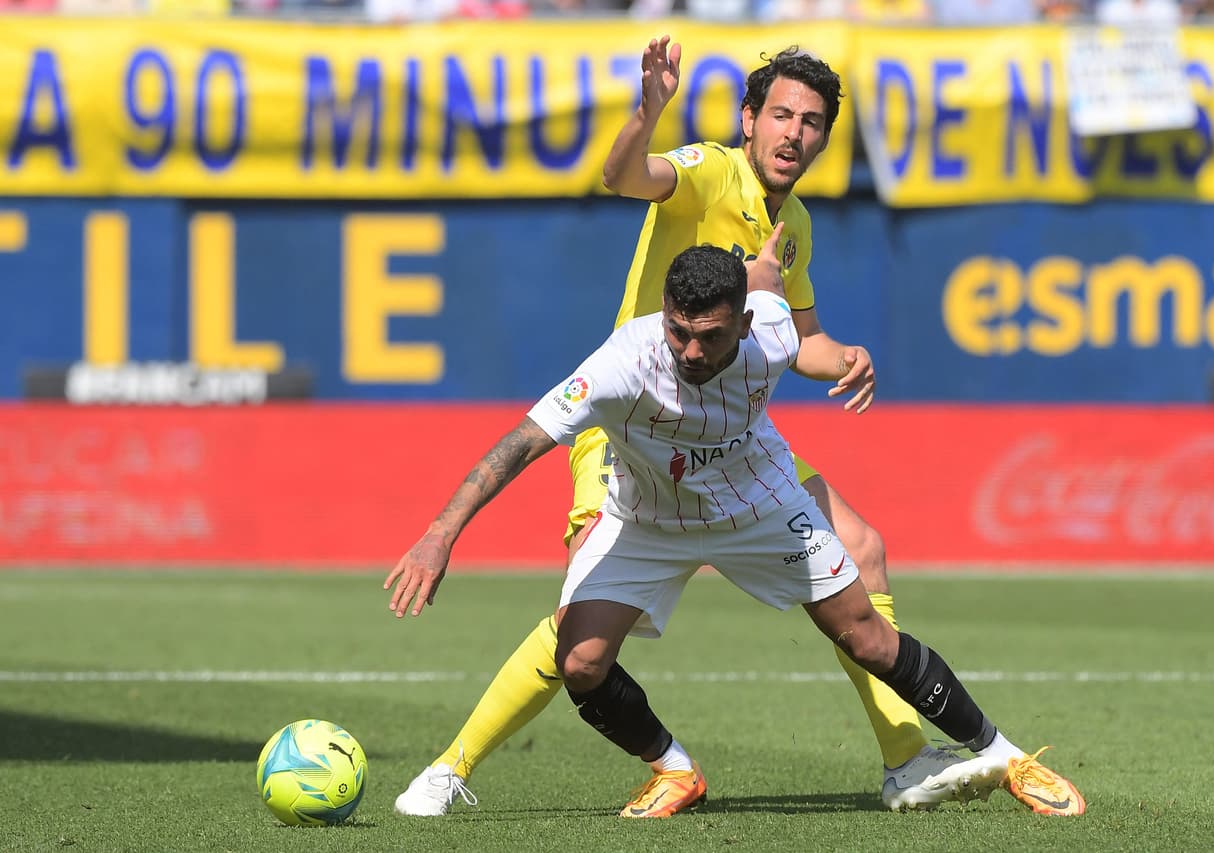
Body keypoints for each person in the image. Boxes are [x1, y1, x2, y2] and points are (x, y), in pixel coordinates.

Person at [391, 36, 1070, 818]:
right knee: (579, 629)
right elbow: (623, 177)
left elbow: (799, 336)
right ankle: (453, 764)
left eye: (811, 121)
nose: (794, 133)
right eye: (779, 114)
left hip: (731, 438)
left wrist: (844, 354)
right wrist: (646, 115)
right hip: (632, 433)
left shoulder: (797, 221)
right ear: (749, 119)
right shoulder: (712, 171)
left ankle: (906, 759)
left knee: (863, 547)